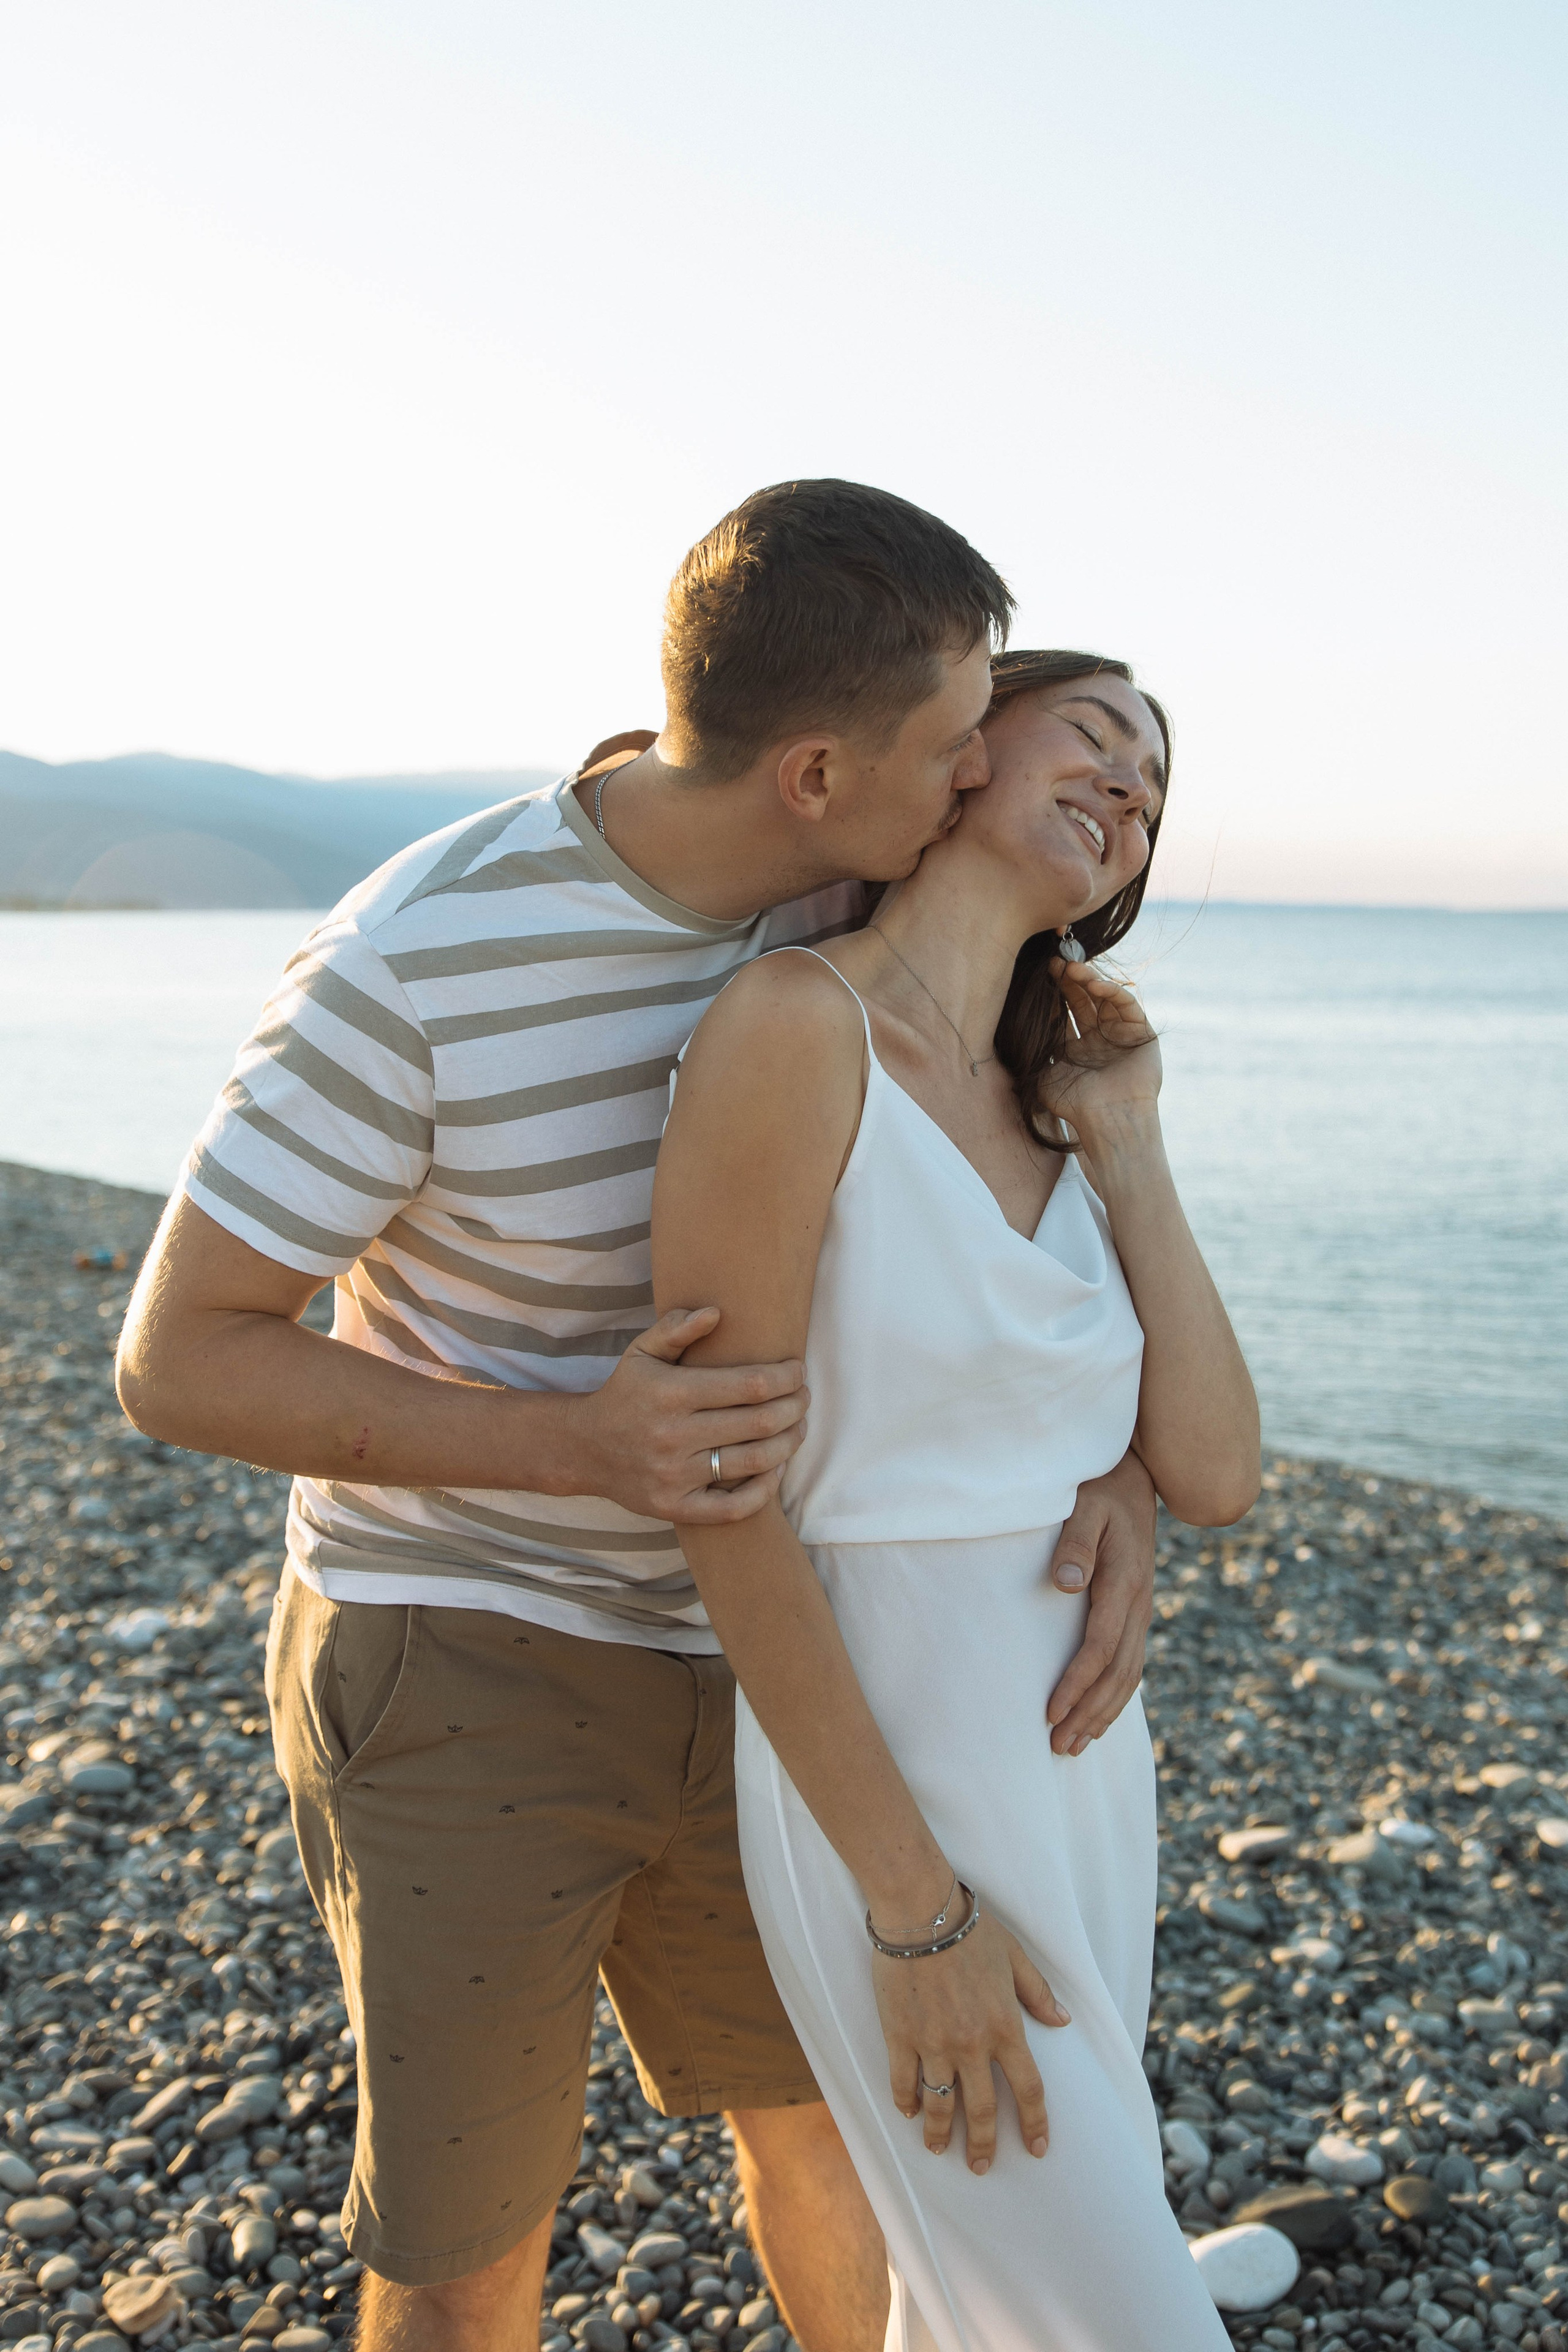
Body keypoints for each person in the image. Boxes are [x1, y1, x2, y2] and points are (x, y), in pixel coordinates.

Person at [116, 486, 1164, 2352]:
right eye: (957, 748)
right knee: (468, 2244)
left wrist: (1112, 1475)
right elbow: (181, 1357)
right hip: (471, 1646)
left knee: (848, 2143)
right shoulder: (414, 963)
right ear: (820, 767)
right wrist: (579, 1446)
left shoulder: (851, 892)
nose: (979, 776)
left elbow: (987, 1236)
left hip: (779, 1663)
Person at [652, 648, 1262, 2350]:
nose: (1136, 790)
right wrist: (912, 1909)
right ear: (964, 747)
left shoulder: (1058, 1107)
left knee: (996, 2298)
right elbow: (727, 1503)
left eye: (1156, 787)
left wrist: (1129, 1140)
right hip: (893, 1767)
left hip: (1086, 1776)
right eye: (1103, 735)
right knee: (1111, 2307)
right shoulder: (794, 1026)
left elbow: (1214, 1472)